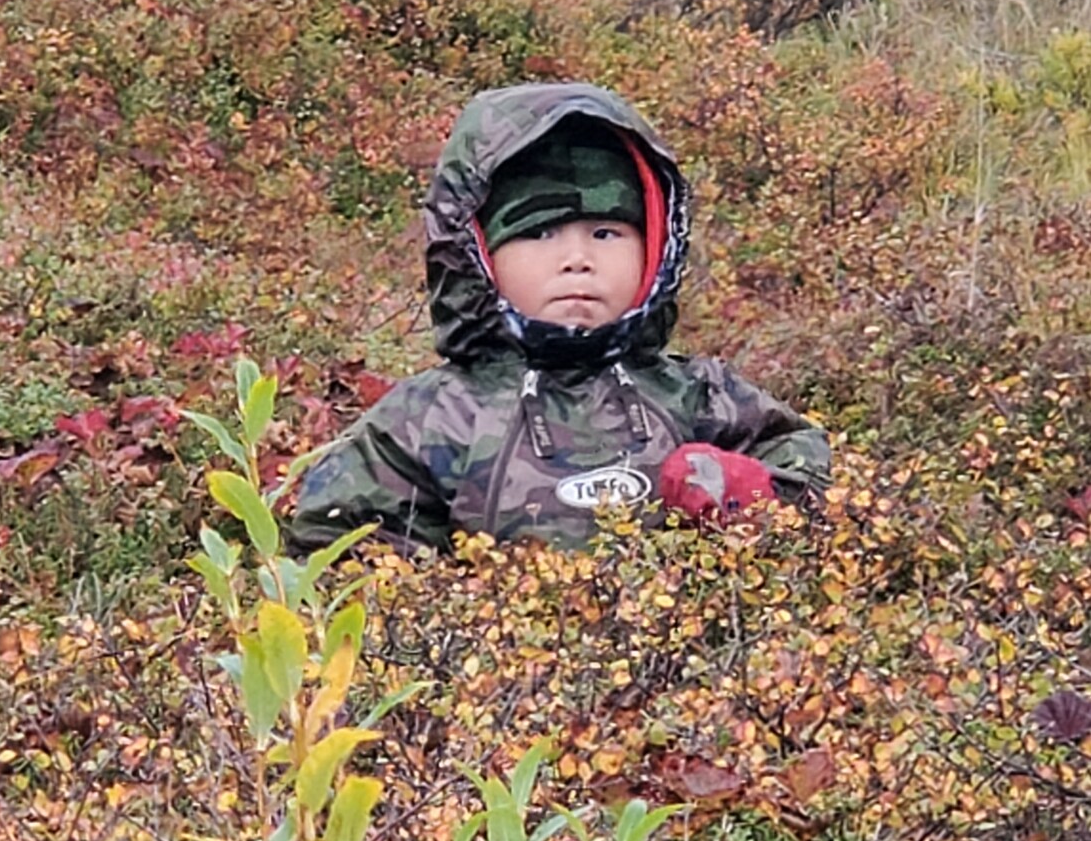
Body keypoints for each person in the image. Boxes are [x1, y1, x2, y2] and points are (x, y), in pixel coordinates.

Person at [290, 82, 829, 554]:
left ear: (657, 248)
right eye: (538, 231)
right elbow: (334, 545)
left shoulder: (698, 396)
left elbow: (812, 472)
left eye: (606, 233)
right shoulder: (429, 420)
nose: (577, 258)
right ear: (475, 250)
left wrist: (750, 492)